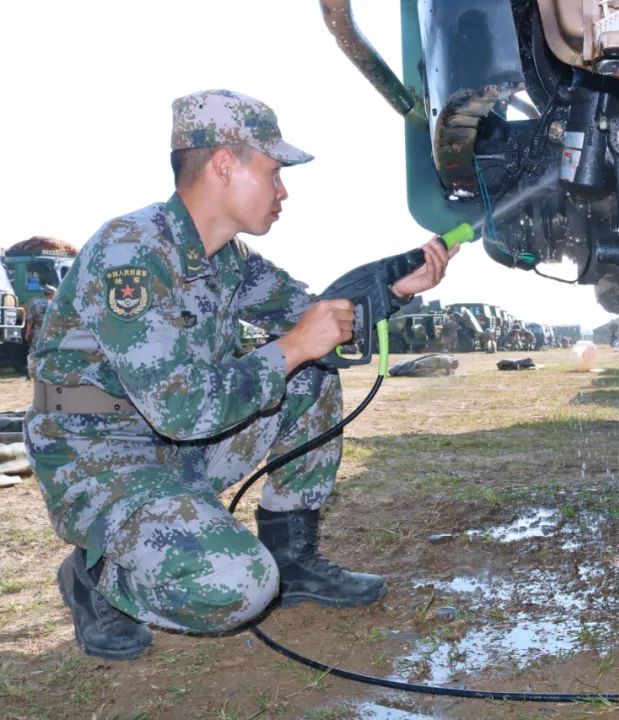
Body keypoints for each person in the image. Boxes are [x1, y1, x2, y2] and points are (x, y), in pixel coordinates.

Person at [24, 89, 455, 661]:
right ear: (224, 164)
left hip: (174, 442)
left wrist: (397, 290)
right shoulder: (132, 253)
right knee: (238, 587)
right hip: (98, 451)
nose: (283, 191)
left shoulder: (227, 259)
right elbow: (182, 408)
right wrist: (296, 345)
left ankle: (292, 556)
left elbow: (313, 317)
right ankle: (97, 575)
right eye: (274, 172)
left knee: (311, 376)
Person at [22, 284, 56, 350]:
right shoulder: (56, 304)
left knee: (34, 350)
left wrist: (27, 332)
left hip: (38, 330)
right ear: (51, 294)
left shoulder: (36, 303)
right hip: (52, 331)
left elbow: (30, 319)